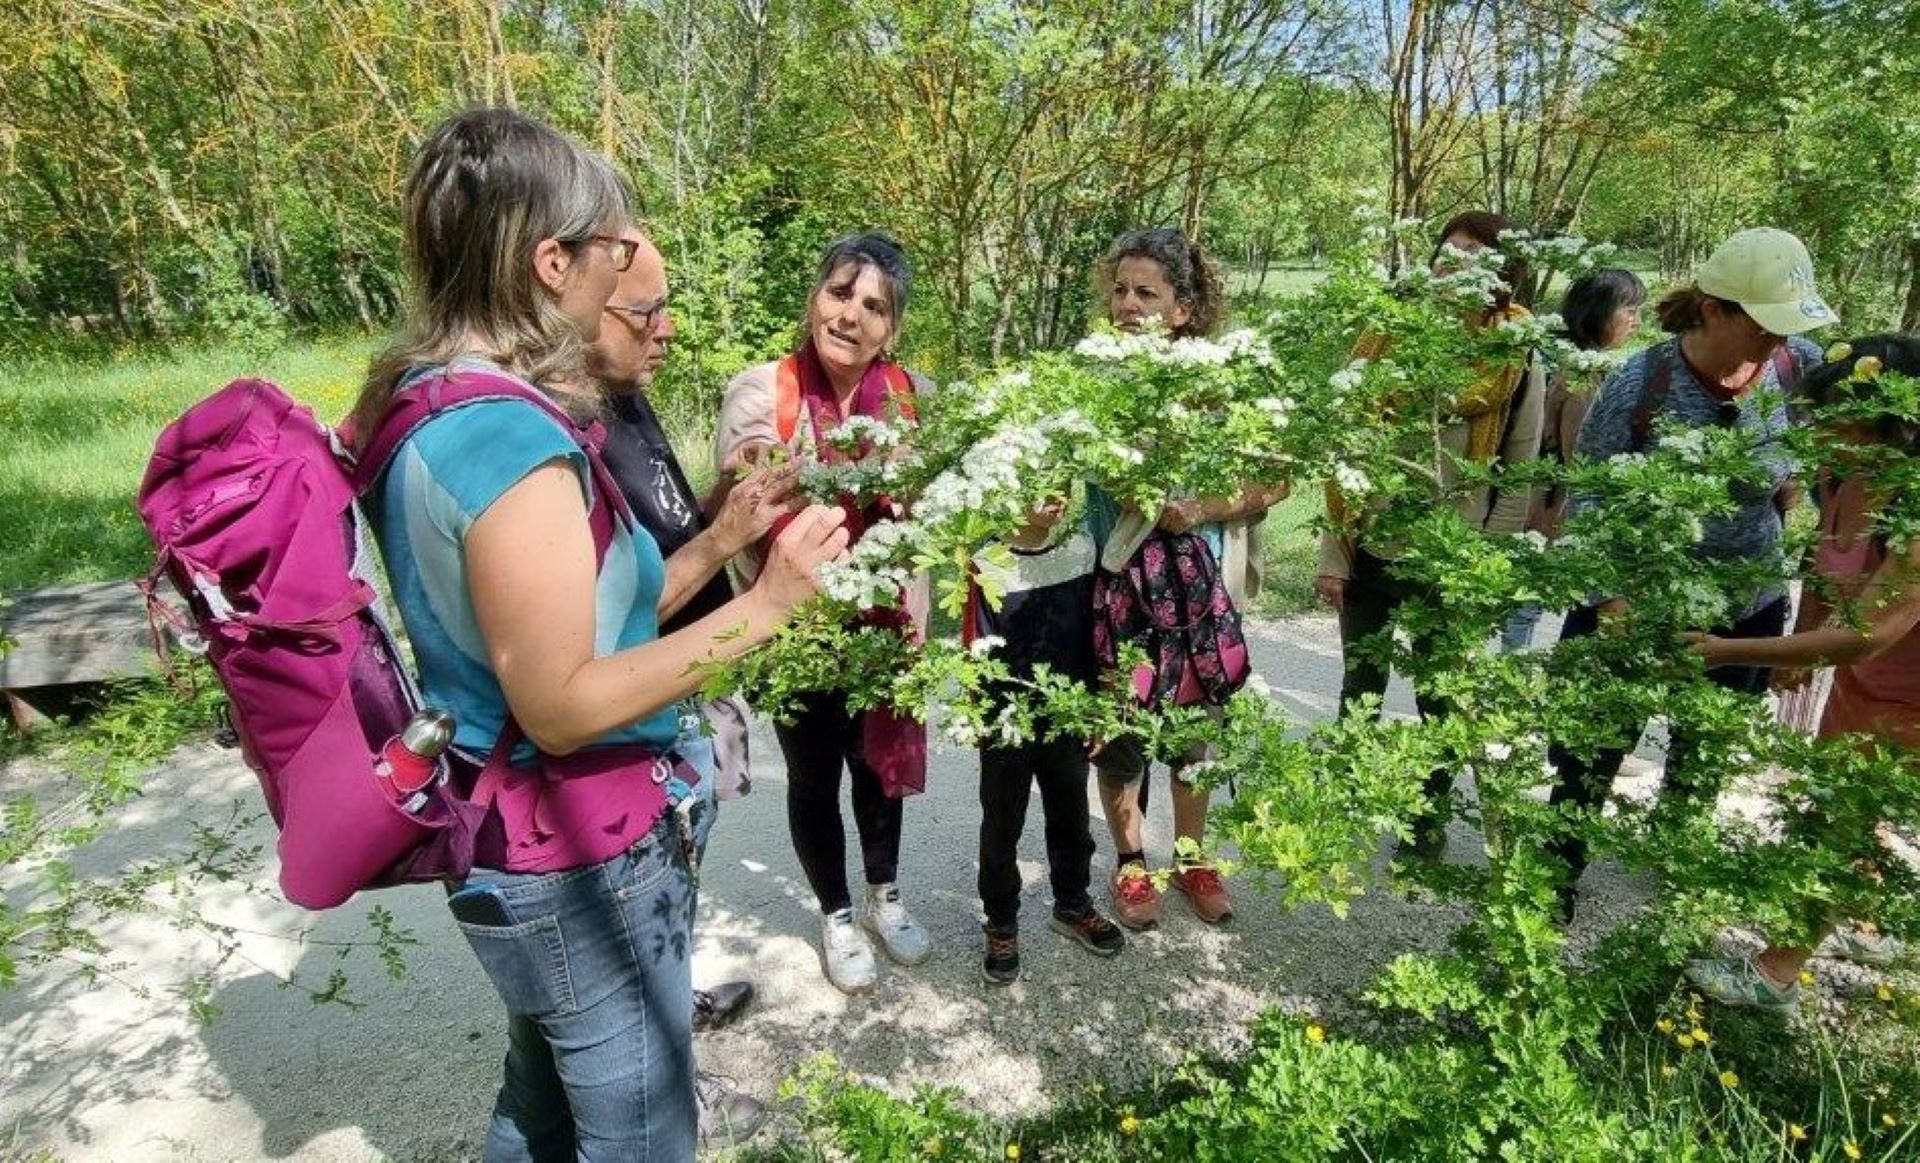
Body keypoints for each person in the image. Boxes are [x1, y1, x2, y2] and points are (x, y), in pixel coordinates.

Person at [352, 109, 849, 1161]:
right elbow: (564, 702)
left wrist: (719, 542)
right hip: (573, 861)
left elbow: (586, 625)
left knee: (539, 1100)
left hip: (524, 848)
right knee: (642, 1134)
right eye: (616, 249)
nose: (630, 270)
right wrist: (769, 608)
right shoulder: (507, 438)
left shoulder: (431, 397)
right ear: (551, 260)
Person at [1544, 226, 1835, 920]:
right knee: (1591, 749)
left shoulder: (1802, 366)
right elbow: (1589, 502)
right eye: (1764, 327)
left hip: (1747, 603)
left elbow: (1835, 470)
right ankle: (1551, 877)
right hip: (1634, 603)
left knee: (1702, 751)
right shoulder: (1640, 386)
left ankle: (1671, 879)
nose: (1776, 343)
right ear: (1714, 311)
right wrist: (1614, 605)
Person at [585, 228, 789, 1141]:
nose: (666, 330)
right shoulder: (566, 429)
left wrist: (725, 507)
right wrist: (732, 555)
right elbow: (610, 610)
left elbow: (668, 529)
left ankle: (676, 994)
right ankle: (675, 1085)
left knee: (679, 876)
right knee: (640, 898)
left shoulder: (625, 397)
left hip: (686, 695)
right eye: (645, 311)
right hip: (641, 709)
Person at [713, 232, 934, 995]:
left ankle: (885, 896)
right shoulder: (762, 389)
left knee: (880, 767)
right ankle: (836, 913)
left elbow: (938, 505)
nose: (851, 315)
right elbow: (747, 468)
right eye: (840, 293)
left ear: (892, 327)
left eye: (874, 305)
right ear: (815, 296)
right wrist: (788, 467)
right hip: (794, 626)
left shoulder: (912, 395)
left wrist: (923, 486)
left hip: (884, 623)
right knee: (813, 775)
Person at [1681, 334, 1920, 1008]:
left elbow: (1873, 631)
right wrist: (1805, 634)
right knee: (1846, 813)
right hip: (1864, 683)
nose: (1817, 436)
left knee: (1839, 826)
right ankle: (1860, 922)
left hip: (1909, 695)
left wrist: (1733, 650)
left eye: (1835, 422)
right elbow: (1823, 560)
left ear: (1895, 428)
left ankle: (1775, 974)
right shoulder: (1839, 473)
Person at [1315, 210, 1548, 859]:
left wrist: (1487, 561)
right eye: (1451, 245)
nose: (1455, 257)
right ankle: (1340, 801)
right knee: (1361, 679)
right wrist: (1334, 551)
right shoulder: (1390, 330)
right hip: (1373, 540)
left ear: (1502, 270)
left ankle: (1425, 816)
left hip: (1456, 552)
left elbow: (1522, 460)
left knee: (1440, 695)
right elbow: (1344, 443)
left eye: (1476, 250)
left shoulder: (1514, 349)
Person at [1087, 226, 1288, 929]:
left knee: (1193, 735)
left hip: (1199, 593)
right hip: (1121, 587)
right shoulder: (1094, 382)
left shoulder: (1222, 384)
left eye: (1148, 292)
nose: (1129, 304)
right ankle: (1132, 863)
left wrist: (1200, 507)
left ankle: (1195, 857)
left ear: (1182, 308)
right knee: (1125, 733)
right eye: (1120, 290)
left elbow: (1276, 479)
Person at [969, 489, 1126, 985]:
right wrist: (980, 715)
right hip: (1008, 719)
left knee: (1072, 815)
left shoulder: (1079, 550)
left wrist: (1102, 705)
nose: (1054, 498)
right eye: (1037, 486)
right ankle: (1001, 922)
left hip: (1068, 713)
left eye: (1061, 484)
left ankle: (1072, 903)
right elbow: (974, 645)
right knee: (1001, 823)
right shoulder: (986, 560)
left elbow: (1098, 632)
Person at [1501, 267, 1647, 651]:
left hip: (1552, 501)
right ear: (1598, 311)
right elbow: (1583, 456)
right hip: (1557, 505)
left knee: (1531, 600)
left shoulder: (1581, 364)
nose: (1636, 320)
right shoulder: (1581, 375)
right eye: (1629, 310)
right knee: (1531, 602)